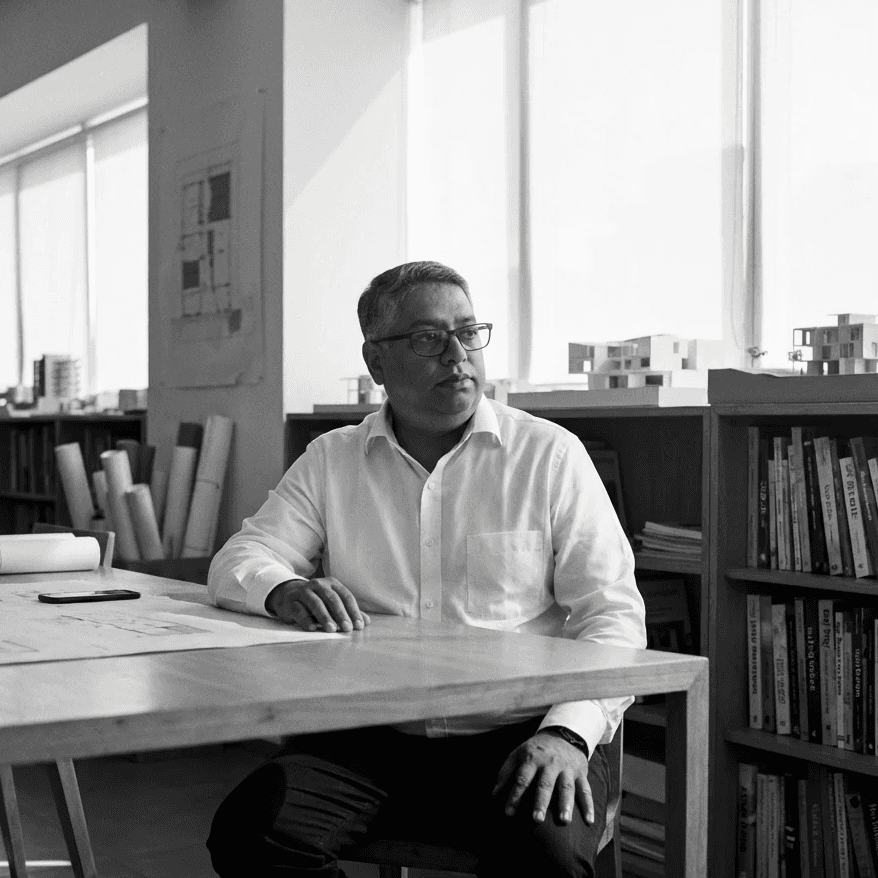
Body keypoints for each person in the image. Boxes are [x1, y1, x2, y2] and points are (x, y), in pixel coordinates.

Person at [206, 261, 646, 878]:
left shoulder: (547, 455)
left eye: (469, 333)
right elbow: (239, 560)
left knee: (545, 859)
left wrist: (568, 734)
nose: (457, 355)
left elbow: (613, 616)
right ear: (377, 362)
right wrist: (282, 588)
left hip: (523, 734)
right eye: (427, 339)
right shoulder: (333, 459)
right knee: (248, 834)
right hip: (368, 735)